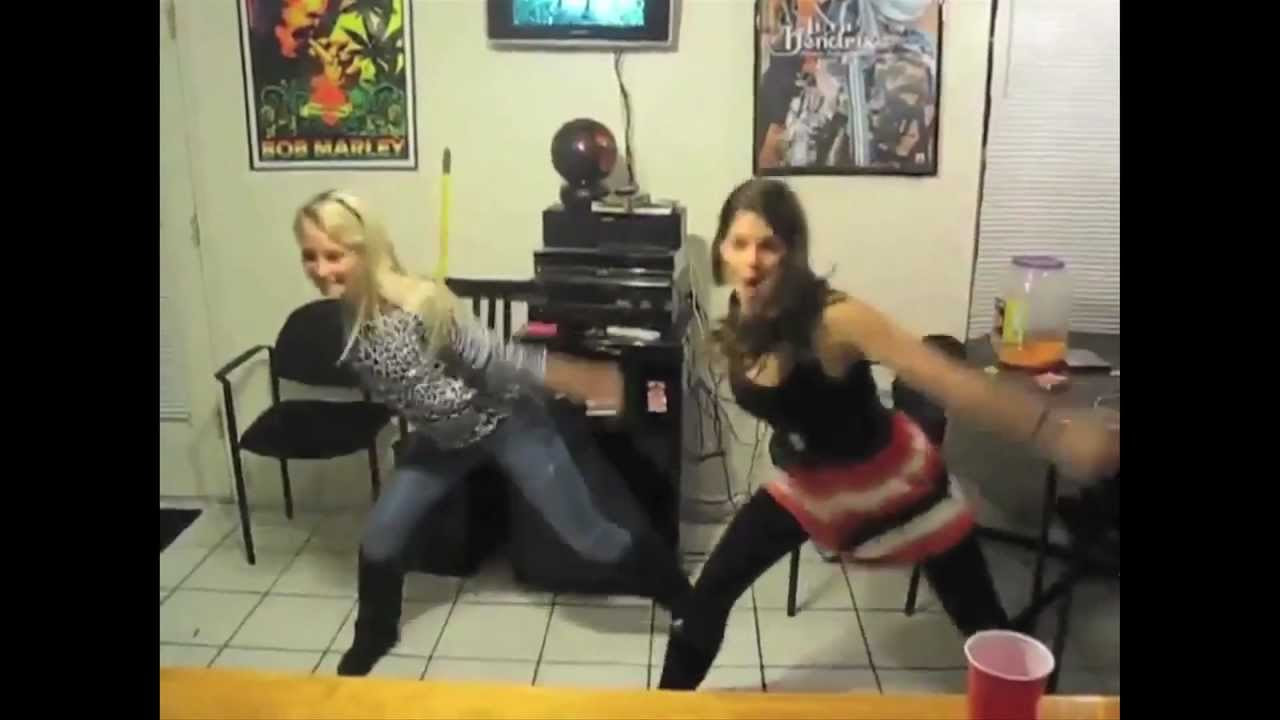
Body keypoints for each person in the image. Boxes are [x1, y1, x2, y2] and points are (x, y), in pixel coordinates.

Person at [657, 178, 1120, 689]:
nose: (752, 262)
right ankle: (661, 708)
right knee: (708, 595)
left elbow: (952, 382)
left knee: (984, 627)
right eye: (739, 243)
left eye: (768, 245)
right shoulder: (744, 313)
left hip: (898, 483)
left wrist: (1054, 433)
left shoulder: (835, 318)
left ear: (793, 252)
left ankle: (1022, 704)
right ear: (721, 249)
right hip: (811, 486)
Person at [291, 190, 691, 676]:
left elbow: (499, 360)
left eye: (335, 255)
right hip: (443, 438)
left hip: (507, 424)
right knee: (380, 536)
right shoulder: (349, 312)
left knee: (590, 536)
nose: (320, 269)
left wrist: (575, 376)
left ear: (365, 248)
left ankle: (686, 601)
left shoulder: (418, 304)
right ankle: (376, 633)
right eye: (310, 256)